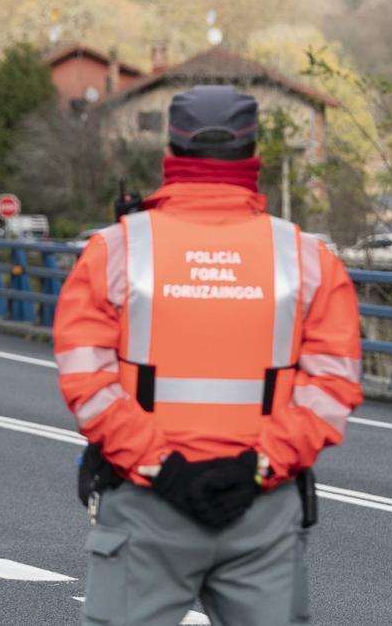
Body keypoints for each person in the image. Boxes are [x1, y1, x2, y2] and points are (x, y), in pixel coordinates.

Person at [54, 85, 363, 626]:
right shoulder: (307, 259)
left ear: (171, 156)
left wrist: (162, 467)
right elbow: (332, 388)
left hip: (147, 502)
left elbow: (87, 382)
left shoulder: (116, 250)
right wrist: (258, 468)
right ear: (253, 159)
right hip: (261, 511)